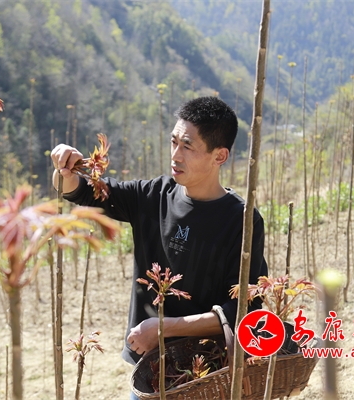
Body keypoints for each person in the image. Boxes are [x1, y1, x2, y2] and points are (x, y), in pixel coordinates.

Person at [51, 96, 267, 368]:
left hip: (207, 370)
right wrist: (64, 169)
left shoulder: (242, 221)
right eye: (174, 142)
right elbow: (80, 191)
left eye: (187, 146)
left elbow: (244, 310)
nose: (175, 155)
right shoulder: (153, 195)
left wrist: (164, 328)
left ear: (219, 156)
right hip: (147, 366)